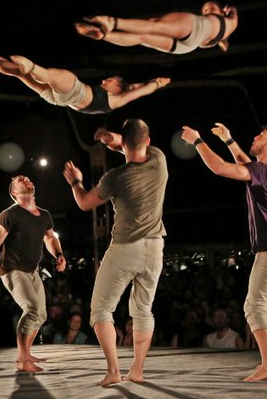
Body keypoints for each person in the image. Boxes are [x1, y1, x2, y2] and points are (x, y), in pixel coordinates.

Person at [181, 122, 267, 382]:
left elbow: (220, 168)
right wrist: (229, 139)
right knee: (263, 303)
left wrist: (197, 141)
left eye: (261, 136)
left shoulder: (264, 172)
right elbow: (245, 164)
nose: (255, 136)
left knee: (254, 306)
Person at [63, 119, 168, 387]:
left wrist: (76, 182)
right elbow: (130, 144)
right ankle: (137, 369)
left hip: (125, 248)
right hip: (155, 247)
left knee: (100, 310)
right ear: (148, 141)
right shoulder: (159, 159)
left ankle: (113, 371)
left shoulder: (115, 177)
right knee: (143, 310)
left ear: (125, 141)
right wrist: (114, 139)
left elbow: (85, 202)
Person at [0, 34, 170, 114]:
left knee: (64, 76)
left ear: (117, 88)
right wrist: (151, 82)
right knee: (17, 73)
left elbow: (137, 92)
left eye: (110, 80)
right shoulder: (113, 97)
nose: (105, 80)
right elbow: (135, 87)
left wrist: (156, 84)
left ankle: (32, 67)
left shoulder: (116, 100)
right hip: (59, 100)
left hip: (73, 93)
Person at [0, 175, 67, 372]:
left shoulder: (44, 215)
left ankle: (26, 353)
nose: (26, 179)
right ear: (15, 192)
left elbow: (50, 238)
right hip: (12, 269)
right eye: (21, 180)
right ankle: (22, 359)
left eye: (27, 178)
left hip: (32, 271)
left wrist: (59, 254)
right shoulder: (9, 214)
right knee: (32, 309)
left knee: (41, 315)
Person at [76, 1, 238, 54]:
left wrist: (231, 10)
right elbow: (204, 44)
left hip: (196, 31)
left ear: (221, 10)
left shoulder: (230, 21)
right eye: (205, 10)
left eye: (210, 8)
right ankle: (103, 35)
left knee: (153, 26)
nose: (207, 10)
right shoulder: (220, 33)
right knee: (143, 36)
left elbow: (234, 11)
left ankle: (112, 22)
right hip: (188, 46)